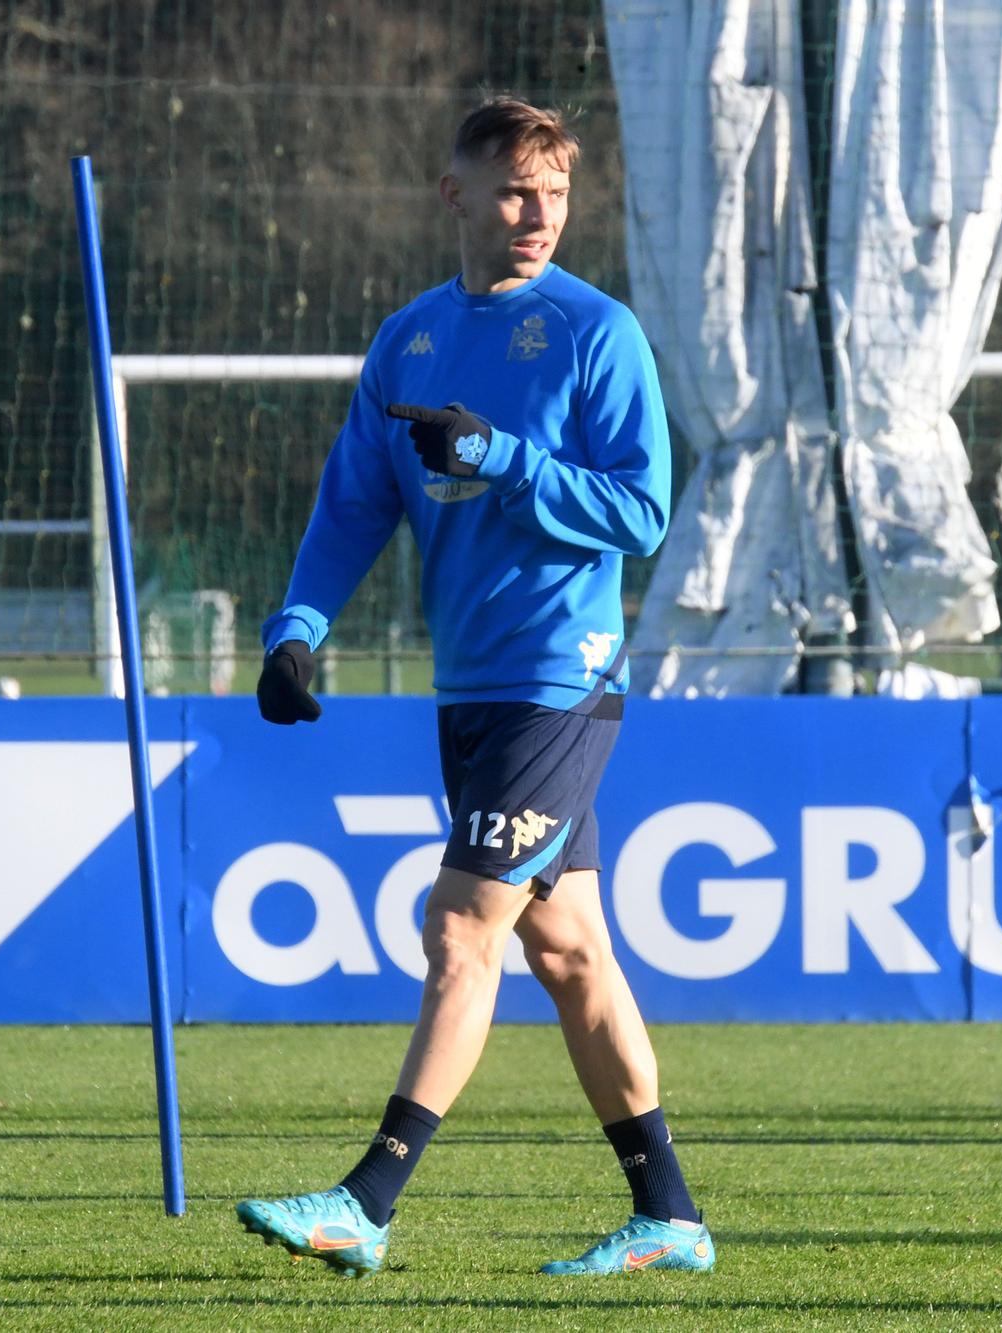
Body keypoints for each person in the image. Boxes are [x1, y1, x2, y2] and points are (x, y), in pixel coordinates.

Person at [235, 96, 711, 1279]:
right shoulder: (406, 341)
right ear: (454, 195)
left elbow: (644, 510)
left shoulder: (597, 333)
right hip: (473, 689)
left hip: (561, 675)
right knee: (567, 951)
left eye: (554, 192)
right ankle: (670, 1215)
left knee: (459, 929)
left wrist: (504, 460)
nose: (537, 212)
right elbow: (355, 504)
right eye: (512, 191)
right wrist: (297, 627)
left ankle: (367, 1198)